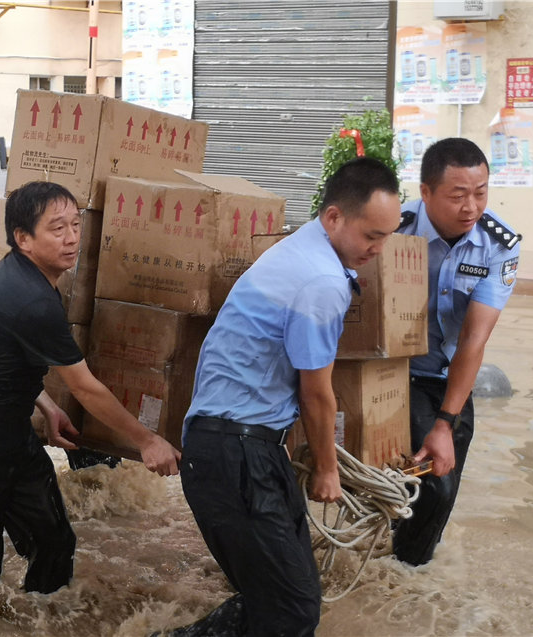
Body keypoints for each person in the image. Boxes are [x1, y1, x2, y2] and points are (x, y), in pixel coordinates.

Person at [0, 180, 181, 618]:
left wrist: (46, 405)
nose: (72, 237)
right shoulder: (30, 298)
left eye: (76, 225)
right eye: (56, 228)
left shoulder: (27, 279)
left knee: (55, 544)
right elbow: (85, 386)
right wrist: (147, 440)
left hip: (9, 437)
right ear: (23, 239)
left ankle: (41, 623)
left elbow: (1, 358)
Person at [172, 157, 402, 636]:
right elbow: (317, 395)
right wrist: (326, 469)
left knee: (280, 601)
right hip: (235, 455)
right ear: (335, 217)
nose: (378, 249)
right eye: (371, 236)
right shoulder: (321, 280)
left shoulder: (299, 248)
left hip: (236, 448)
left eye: (386, 237)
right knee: (293, 610)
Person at [392, 137, 521, 566]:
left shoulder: (499, 245)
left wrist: (445, 422)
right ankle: (400, 570)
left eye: (480, 193)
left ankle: (404, 576)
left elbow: (474, 340)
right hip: (392, 375)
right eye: (458, 195)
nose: (472, 207)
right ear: (426, 192)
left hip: (449, 381)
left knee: (441, 496)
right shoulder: (395, 226)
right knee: (433, 485)